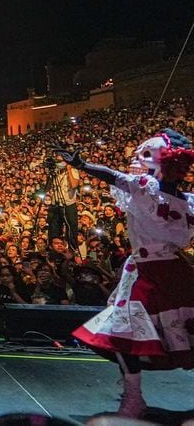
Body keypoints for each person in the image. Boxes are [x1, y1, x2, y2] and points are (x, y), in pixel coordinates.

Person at [54, 128, 194, 418]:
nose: (137, 160)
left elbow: (113, 176)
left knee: (125, 334)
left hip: (153, 275)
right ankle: (133, 398)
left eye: (144, 155)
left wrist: (82, 166)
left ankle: (133, 399)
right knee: (141, 333)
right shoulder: (187, 200)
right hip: (167, 271)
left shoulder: (146, 189)